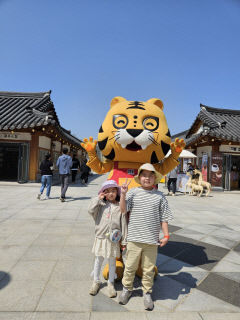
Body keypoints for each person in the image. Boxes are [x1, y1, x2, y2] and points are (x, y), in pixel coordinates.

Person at [119, 163, 173, 310]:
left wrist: (166, 235)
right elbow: (123, 210)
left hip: (151, 240)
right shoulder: (133, 192)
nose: (147, 178)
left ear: (155, 178)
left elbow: (164, 218)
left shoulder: (160, 196)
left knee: (148, 269)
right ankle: (127, 289)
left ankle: (147, 292)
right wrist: (123, 194)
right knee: (130, 267)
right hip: (134, 239)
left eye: (150, 176)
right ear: (139, 177)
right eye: (144, 175)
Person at [88, 180, 127, 298]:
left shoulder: (119, 206)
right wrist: (98, 199)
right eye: (108, 191)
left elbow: (124, 223)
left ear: (117, 192)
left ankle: (111, 283)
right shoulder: (100, 205)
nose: (111, 194)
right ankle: (96, 281)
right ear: (104, 193)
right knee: (98, 260)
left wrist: (124, 240)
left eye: (113, 191)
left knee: (111, 261)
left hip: (113, 240)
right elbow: (90, 210)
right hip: (100, 237)